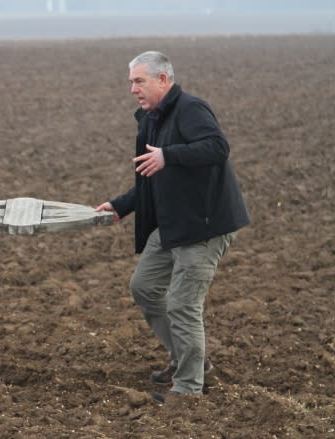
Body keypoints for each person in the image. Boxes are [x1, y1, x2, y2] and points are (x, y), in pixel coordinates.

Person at [95, 51, 250, 403]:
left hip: (204, 225)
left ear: (163, 80)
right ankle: (186, 358)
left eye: (139, 81)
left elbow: (217, 146)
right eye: (131, 82)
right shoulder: (150, 119)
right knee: (144, 287)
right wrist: (120, 206)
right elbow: (151, 178)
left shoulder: (190, 109)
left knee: (182, 304)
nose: (133, 89)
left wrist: (170, 155)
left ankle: (188, 390)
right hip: (173, 223)